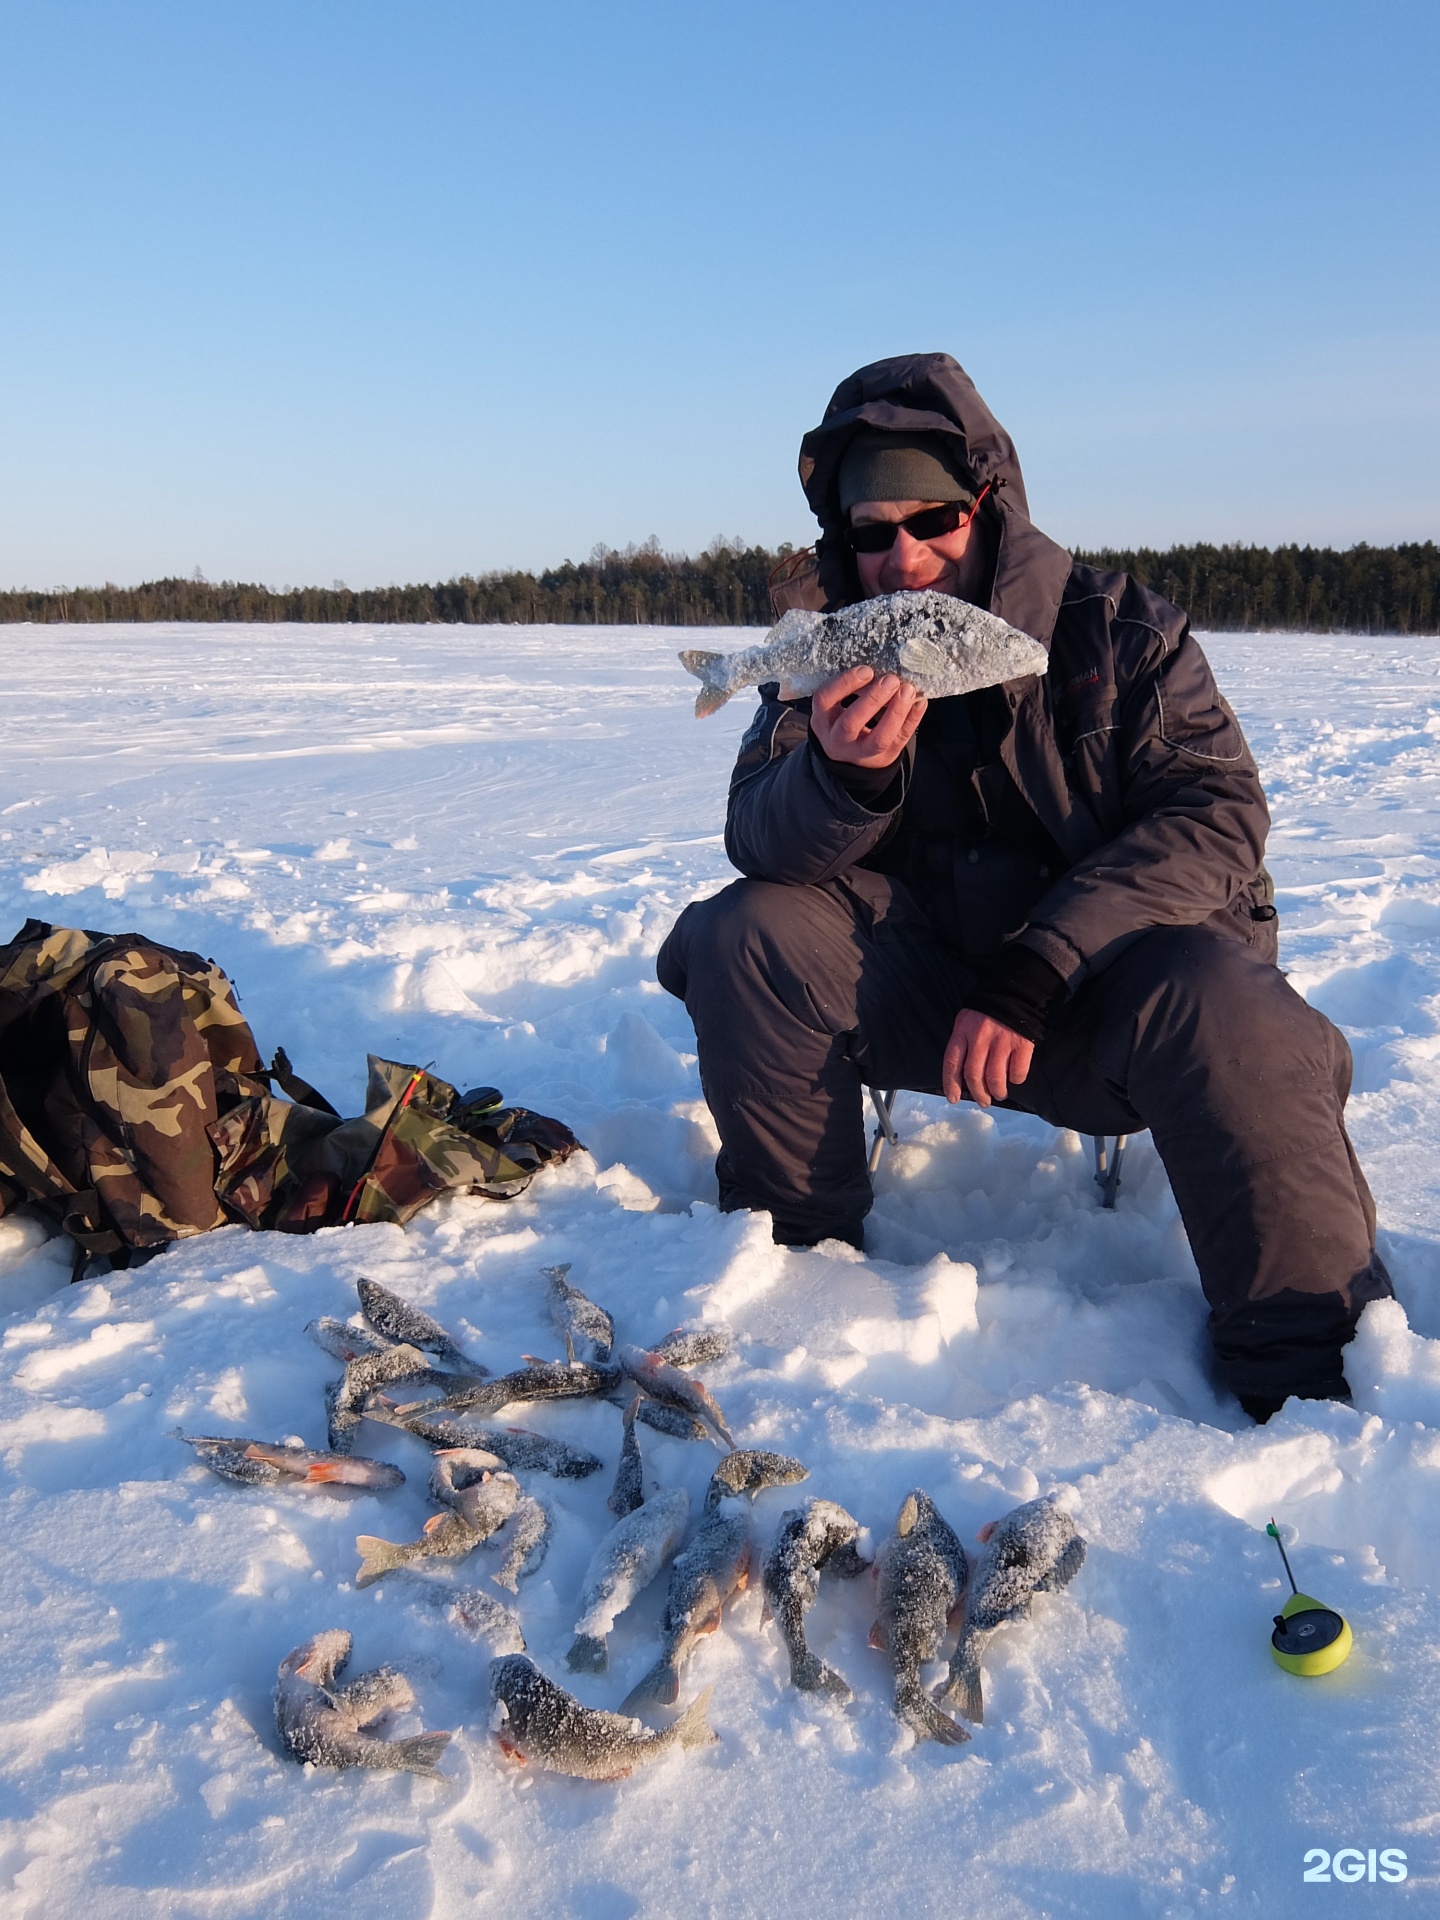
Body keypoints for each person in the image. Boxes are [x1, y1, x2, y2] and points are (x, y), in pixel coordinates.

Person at [657, 351, 1391, 1423]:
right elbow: (756, 838)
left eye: (933, 521)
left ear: (986, 504)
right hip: (916, 996)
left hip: (1101, 1006)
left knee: (1230, 1002)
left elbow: (1217, 818)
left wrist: (1043, 958)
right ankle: (796, 1279)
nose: (903, 558)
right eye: (871, 532)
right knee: (745, 931)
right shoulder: (822, 654)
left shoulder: (1125, 633)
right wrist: (840, 779)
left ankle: (1314, 1376)